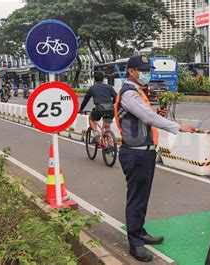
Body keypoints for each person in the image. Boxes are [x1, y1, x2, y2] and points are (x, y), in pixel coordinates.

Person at [115, 55, 197, 262]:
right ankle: (135, 243)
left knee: (142, 196)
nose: (147, 73)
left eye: (147, 70)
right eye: (143, 70)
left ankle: (139, 231)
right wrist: (179, 127)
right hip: (136, 154)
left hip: (145, 152)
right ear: (132, 71)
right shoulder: (128, 94)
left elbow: (146, 118)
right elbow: (148, 118)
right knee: (136, 197)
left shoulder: (137, 92)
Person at [79, 71, 117, 143]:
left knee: (91, 118)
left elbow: (85, 100)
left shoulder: (92, 88)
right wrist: (112, 103)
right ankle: (110, 144)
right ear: (103, 79)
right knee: (107, 126)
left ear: (95, 79)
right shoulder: (109, 87)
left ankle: (96, 134)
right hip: (110, 109)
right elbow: (116, 97)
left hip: (99, 109)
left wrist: (81, 109)